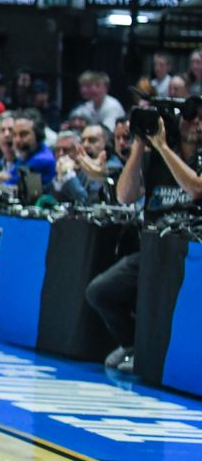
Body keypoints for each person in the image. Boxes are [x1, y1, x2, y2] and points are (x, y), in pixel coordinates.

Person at [87, 102, 202, 374]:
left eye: (201, 118)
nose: (196, 124)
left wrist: (162, 147)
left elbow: (196, 188)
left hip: (191, 255)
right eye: (190, 118)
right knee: (100, 291)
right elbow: (125, 195)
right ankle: (131, 345)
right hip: (153, 250)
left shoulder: (182, 156)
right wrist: (140, 144)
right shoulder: (155, 159)